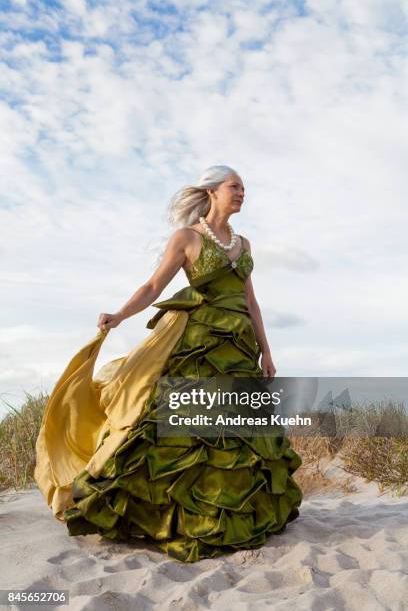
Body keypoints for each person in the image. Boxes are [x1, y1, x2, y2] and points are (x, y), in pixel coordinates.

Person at [34, 165, 303, 563]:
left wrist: (267, 351)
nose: (242, 192)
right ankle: (171, 515)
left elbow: (251, 301)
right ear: (211, 192)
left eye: (244, 187)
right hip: (200, 346)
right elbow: (153, 286)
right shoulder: (187, 238)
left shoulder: (244, 245)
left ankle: (234, 512)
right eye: (235, 187)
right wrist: (121, 314)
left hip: (240, 347)